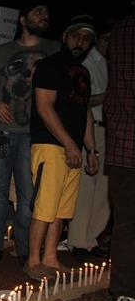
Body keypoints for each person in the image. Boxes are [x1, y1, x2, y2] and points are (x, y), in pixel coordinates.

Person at [0, 3, 60, 265]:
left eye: (46, 13)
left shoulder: (55, 49)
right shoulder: (2, 52)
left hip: (34, 135)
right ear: (23, 19)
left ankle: (26, 248)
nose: (43, 16)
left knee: (28, 196)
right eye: (37, 12)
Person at [25, 15, 99, 281]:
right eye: (76, 36)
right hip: (50, 145)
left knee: (62, 210)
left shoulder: (84, 72)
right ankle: (33, 260)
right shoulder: (50, 65)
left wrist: (91, 149)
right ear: (65, 37)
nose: (80, 42)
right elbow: (44, 107)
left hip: (75, 150)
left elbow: (85, 111)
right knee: (45, 207)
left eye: (86, 39)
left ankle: (51, 258)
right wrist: (68, 143)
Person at [69, 19, 112, 258]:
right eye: (107, 38)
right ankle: (77, 240)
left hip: (110, 129)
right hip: (91, 127)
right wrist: (110, 95)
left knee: (104, 187)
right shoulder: (86, 62)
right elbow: (83, 100)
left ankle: (92, 238)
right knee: (86, 186)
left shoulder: (112, 63)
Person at [104, 7, 135, 301]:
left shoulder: (121, 30)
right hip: (129, 147)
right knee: (128, 223)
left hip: (123, 147)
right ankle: (127, 295)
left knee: (127, 222)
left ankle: (127, 295)